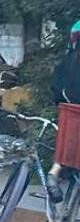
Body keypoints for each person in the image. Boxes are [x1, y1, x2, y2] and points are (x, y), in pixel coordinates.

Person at [44, 19, 80, 202]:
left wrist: (59, 101)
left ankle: (55, 171)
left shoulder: (69, 60)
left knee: (64, 148)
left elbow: (57, 88)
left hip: (69, 112)